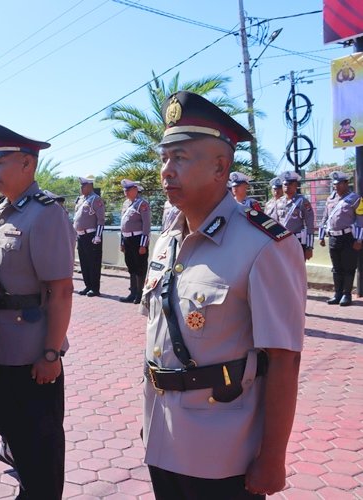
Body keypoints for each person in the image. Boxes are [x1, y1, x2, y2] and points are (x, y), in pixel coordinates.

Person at [142, 91, 305, 499]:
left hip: (223, 451)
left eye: (180, 158)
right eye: (164, 158)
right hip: (163, 433)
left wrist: (273, 458)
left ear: (220, 166)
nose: (166, 170)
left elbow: (284, 360)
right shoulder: (167, 240)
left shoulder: (263, 245)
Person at [0, 122, 74, 499]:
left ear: (28, 164)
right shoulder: (0, 212)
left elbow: (61, 290)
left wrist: (51, 352)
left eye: (1, 162)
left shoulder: (45, 213)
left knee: (41, 441)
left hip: (33, 352)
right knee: (14, 433)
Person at [318, 170, 363, 306]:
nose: (336, 186)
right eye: (334, 184)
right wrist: (321, 236)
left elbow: (361, 220)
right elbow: (325, 217)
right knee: (336, 268)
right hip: (333, 238)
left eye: (339, 184)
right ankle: (337, 294)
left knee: (348, 267)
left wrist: (359, 240)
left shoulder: (355, 199)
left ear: (346, 183)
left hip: (349, 238)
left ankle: (346, 295)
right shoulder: (330, 199)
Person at [73, 175, 106, 297]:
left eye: (83, 185)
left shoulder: (95, 199)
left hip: (92, 236)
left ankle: (95, 288)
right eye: (81, 186)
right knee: (84, 262)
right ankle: (87, 285)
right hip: (81, 236)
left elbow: (101, 220)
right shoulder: (81, 200)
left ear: (90, 186)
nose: (81, 188)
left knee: (93, 263)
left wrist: (98, 236)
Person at [119, 179, 150, 304]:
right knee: (131, 266)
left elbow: (146, 225)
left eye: (128, 190)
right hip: (127, 239)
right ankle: (132, 292)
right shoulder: (126, 204)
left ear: (135, 190)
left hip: (138, 239)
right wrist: (122, 241)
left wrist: (143, 244)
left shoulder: (142, 204)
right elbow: (123, 225)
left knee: (140, 267)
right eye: (125, 190)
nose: (125, 192)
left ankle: (139, 294)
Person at [276, 171, 315, 261]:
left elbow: (310, 225)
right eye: (285, 184)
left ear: (295, 185)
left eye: (290, 184)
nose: (287, 186)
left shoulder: (302, 201)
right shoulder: (278, 202)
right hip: (282, 242)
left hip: (297, 241)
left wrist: (309, 247)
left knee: (298, 270)